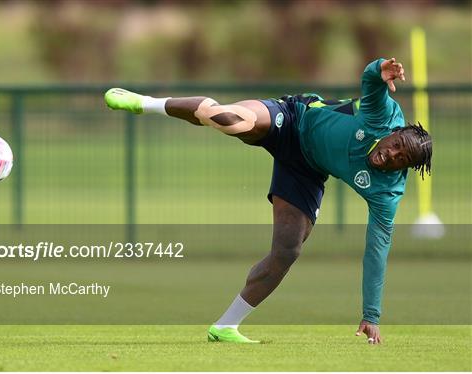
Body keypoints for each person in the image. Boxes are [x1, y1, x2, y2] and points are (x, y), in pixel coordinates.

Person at [104, 58, 432, 344]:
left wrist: (371, 315)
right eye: (396, 144)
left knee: (287, 251)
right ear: (394, 131)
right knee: (234, 121)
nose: (391, 155)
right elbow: (370, 79)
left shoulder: (386, 191)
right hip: (293, 117)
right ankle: (146, 102)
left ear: (404, 169)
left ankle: (225, 326)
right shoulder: (382, 114)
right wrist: (380, 68)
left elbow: (377, 249)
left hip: (306, 170)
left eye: (401, 159)